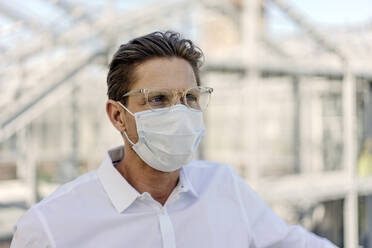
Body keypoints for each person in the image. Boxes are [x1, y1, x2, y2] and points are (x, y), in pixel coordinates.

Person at [11, 31, 338, 248]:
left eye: (190, 98)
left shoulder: (223, 187)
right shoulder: (51, 228)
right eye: (158, 99)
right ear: (117, 116)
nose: (179, 113)